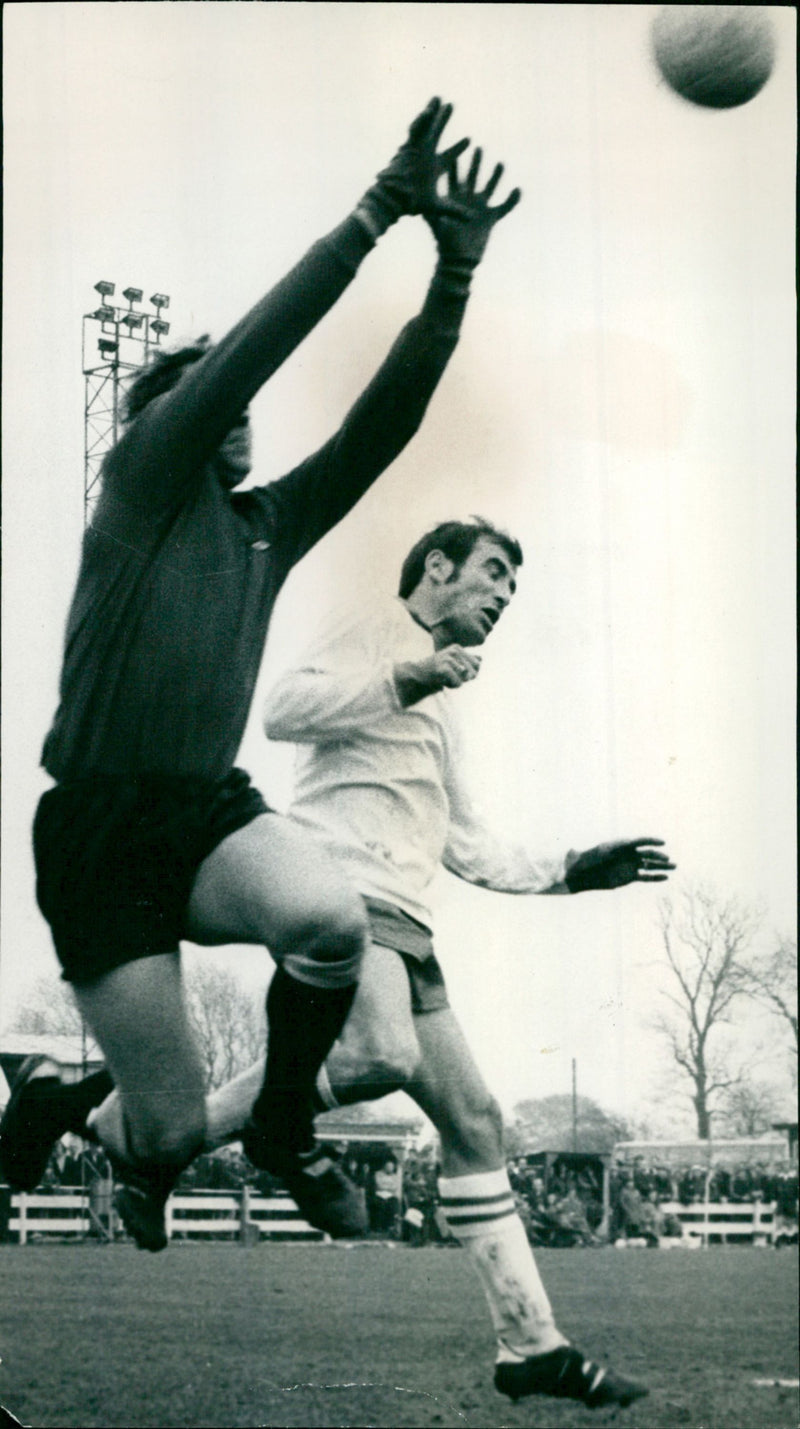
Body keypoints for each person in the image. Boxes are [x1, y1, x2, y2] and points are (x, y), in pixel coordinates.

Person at [0, 100, 523, 1251]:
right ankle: (61, 1101)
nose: (230, 402)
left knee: (327, 921)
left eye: (230, 394)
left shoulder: (263, 527)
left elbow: (378, 430)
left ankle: (284, 1124)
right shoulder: (138, 488)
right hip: (96, 827)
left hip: (202, 810)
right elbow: (250, 348)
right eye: (202, 385)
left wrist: (451, 276)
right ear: (167, 412)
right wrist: (376, 208)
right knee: (174, 1127)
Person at [192, 516, 672, 1408]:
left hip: (410, 927)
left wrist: (571, 871)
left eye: (512, 589)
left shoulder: (448, 706)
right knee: (379, 1056)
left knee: (480, 1123)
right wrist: (405, 673)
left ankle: (532, 1348)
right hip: (338, 895)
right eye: (492, 574)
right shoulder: (372, 630)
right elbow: (284, 712)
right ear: (437, 567)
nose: (501, 596)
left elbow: (466, 839)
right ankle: (194, 1124)